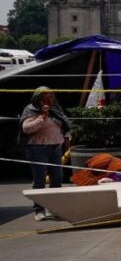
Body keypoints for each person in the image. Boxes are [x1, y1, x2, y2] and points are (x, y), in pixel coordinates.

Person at [20, 86, 70, 221]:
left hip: (55, 147)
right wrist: (41, 117)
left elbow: (64, 124)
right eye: (46, 97)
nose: (50, 99)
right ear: (38, 99)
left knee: (57, 179)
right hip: (37, 148)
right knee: (39, 180)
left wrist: (66, 138)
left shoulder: (56, 109)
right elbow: (26, 129)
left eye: (51, 96)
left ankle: (54, 208)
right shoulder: (31, 110)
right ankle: (39, 209)